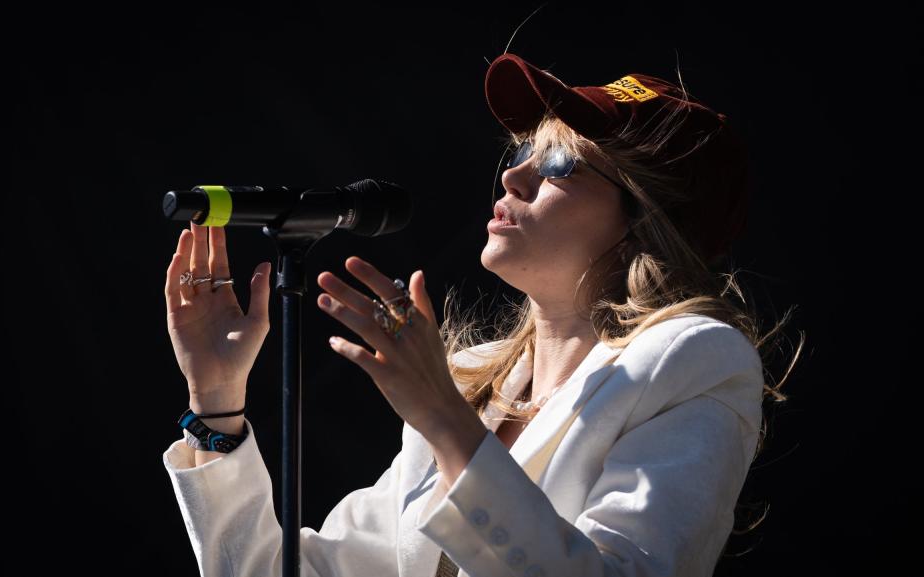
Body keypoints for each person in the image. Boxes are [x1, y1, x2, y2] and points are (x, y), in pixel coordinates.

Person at [162, 52, 792, 577]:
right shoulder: (471, 384)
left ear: (643, 217)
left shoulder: (694, 358)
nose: (514, 177)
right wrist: (216, 397)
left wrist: (442, 418)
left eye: (557, 164)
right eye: (519, 152)